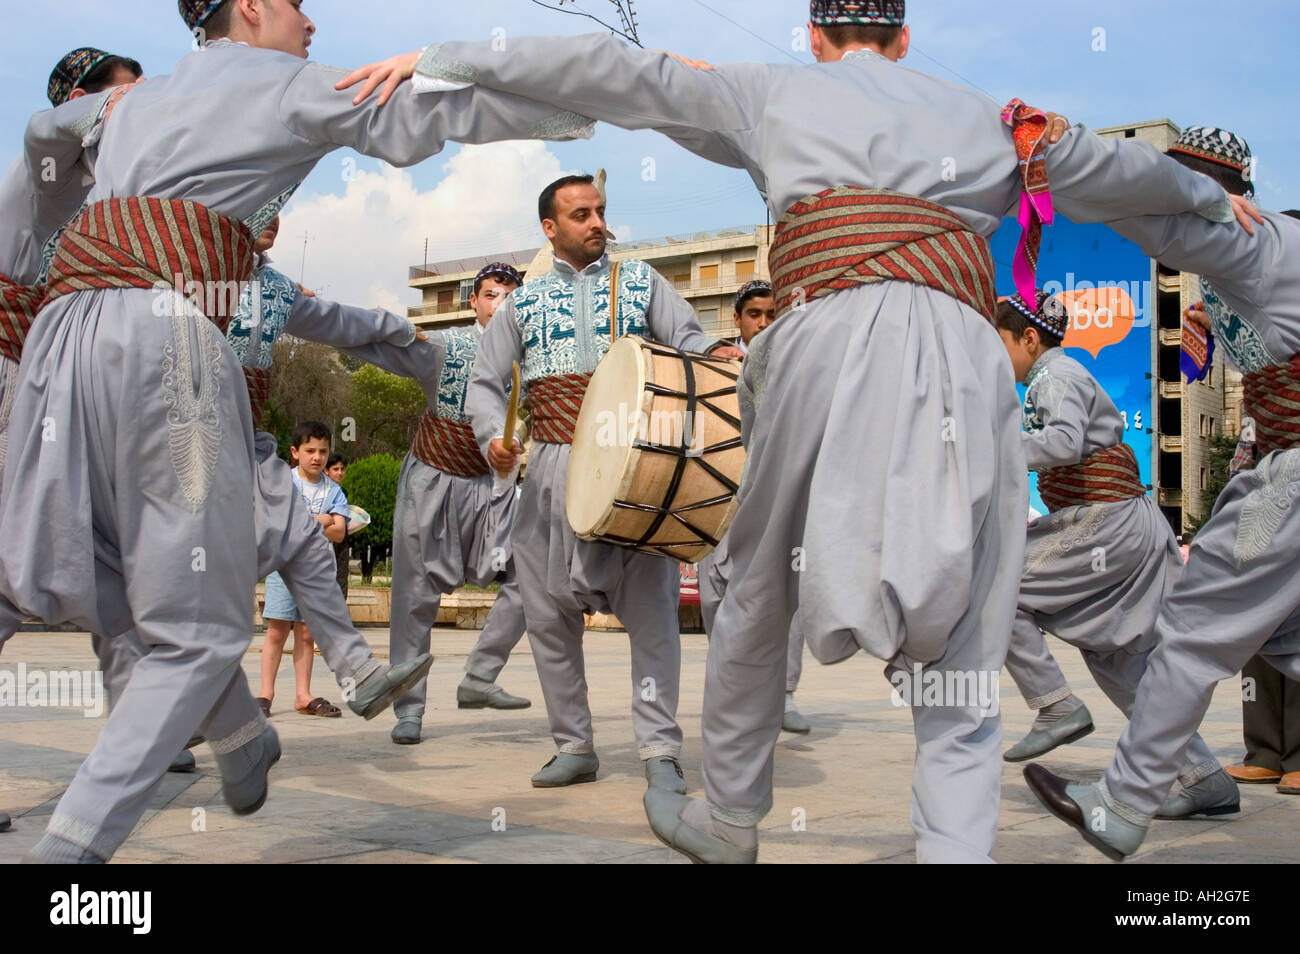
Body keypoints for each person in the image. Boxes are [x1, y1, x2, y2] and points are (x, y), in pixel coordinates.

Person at [342, 0, 1241, 862]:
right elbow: (1127, 177)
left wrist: (442, 57)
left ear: (816, 34)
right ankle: (956, 849)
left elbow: (614, 71)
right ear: (905, 35)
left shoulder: (773, 90)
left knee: (758, 584)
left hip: (821, 337)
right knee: (969, 617)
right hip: (963, 357)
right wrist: (1209, 204)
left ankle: (733, 817)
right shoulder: (996, 119)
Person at [0, 0, 595, 863]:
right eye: (296, 4)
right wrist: (589, 103)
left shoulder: (126, 105)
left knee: (97, 567)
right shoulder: (280, 83)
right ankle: (70, 862)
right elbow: (440, 114)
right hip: (168, 350)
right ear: (248, 8)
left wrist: (49, 227)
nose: (311, 21)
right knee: (198, 631)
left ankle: (244, 741)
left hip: (64, 340)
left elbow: (42, 137)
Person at [1023, 124, 1300, 859]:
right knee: (1281, 633)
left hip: (1290, 479)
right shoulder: (1248, 258)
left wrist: (1041, 162)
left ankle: (1122, 803)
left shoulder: (1249, 238)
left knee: (1187, 627)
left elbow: (1150, 211)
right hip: (1276, 471)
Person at [465, 175, 741, 789]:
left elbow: (689, 341)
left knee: (651, 615)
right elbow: (485, 383)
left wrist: (713, 356)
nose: (596, 223)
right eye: (581, 214)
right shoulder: (523, 303)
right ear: (550, 227)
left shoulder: (642, 281)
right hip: (550, 473)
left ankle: (660, 751)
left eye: (600, 212)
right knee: (546, 616)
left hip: (637, 468)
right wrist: (493, 437)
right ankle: (574, 745)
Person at [995, 289, 1236, 819]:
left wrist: (989, 447)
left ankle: (1054, 703)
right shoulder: (1063, 375)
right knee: (1121, 660)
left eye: (999, 343)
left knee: (994, 584)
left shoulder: (1052, 378)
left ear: (1029, 338)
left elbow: (1060, 443)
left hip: (1105, 524)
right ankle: (1202, 777)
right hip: (1128, 525)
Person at [383, 261, 536, 747]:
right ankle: (409, 709)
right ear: (474, 301)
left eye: (511, 297)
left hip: (492, 487)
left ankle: (480, 676)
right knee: (413, 598)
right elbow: (377, 347)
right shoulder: (445, 345)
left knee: (530, 575)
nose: (502, 305)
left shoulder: (533, 360)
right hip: (432, 482)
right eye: (492, 295)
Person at [697, 280, 811, 733]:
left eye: (770, 314)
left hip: (776, 497)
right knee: (714, 595)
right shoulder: (714, 363)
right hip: (718, 496)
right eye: (754, 315)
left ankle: (782, 695)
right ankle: (730, 689)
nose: (763, 323)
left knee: (785, 599)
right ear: (737, 320)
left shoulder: (793, 364)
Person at [259, 421, 349, 718]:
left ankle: (303, 694)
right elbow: (281, 525)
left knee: (307, 633)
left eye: (323, 451)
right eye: (310, 450)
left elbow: (339, 533)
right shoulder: (284, 483)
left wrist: (310, 523)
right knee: (276, 630)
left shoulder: (333, 490)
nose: (317, 457)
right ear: (295, 452)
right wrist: (322, 520)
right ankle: (265, 694)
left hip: (317, 572)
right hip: (283, 568)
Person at [327, 454, 350, 598]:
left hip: (341, 541)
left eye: (342, 469)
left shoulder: (342, 492)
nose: (340, 473)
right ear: (326, 470)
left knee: (340, 577)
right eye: (335, 469)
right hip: (326, 539)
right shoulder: (323, 491)